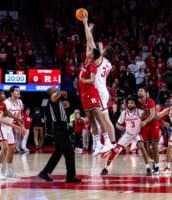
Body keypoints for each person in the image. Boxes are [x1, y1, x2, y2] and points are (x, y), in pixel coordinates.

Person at [79, 15, 113, 156]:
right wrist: (89, 29)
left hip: (96, 91)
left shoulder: (97, 61)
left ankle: (110, 143)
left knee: (101, 118)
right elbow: (89, 44)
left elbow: (90, 41)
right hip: (98, 90)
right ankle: (101, 144)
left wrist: (86, 23)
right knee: (96, 119)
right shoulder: (105, 62)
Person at [38, 86, 81, 183]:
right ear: (52, 92)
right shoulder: (52, 98)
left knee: (58, 152)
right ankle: (70, 176)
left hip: (61, 128)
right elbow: (56, 95)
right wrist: (61, 92)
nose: (56, 89)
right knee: (69, 152)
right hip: (59, 128)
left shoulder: (59, 101)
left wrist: (65, 97)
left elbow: (67, 104)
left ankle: (44, 172)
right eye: (54, 88)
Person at [100, 97, 152, 176]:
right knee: (116, 150)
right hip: (127, 134)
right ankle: (106, 168)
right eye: (129, 103)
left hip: (137, 134)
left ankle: (148, 168)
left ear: (135, 104)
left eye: (132, 103)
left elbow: (149, 114)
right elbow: (117, 124)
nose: (130, 104)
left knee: (141, 146)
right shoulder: (124, 113)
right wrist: (119, 127)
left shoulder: (140, 112)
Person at [0, 86, 24, 179]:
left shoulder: (19, 102)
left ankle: (9, 171)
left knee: (11, 149)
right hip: (1, 126)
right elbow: (2, 119)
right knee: (4, 148)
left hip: (9, 127)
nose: (18, 92)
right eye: (16, 91)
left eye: (19, 91)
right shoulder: (6, 103)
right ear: (11, 93)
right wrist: (15, 126)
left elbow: (18, 115)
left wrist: (22, 126)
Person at [137, 87, 160, 175]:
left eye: (141, 90)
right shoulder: (137, 103)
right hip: (144, 127)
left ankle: (157, 167)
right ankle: (154, 162)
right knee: (146, 148)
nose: (140, 91)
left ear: (146, 93)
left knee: (154, 146)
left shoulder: (150, 101)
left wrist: (145, 121)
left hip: (153, 124)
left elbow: (153, 114)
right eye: (139, 90)